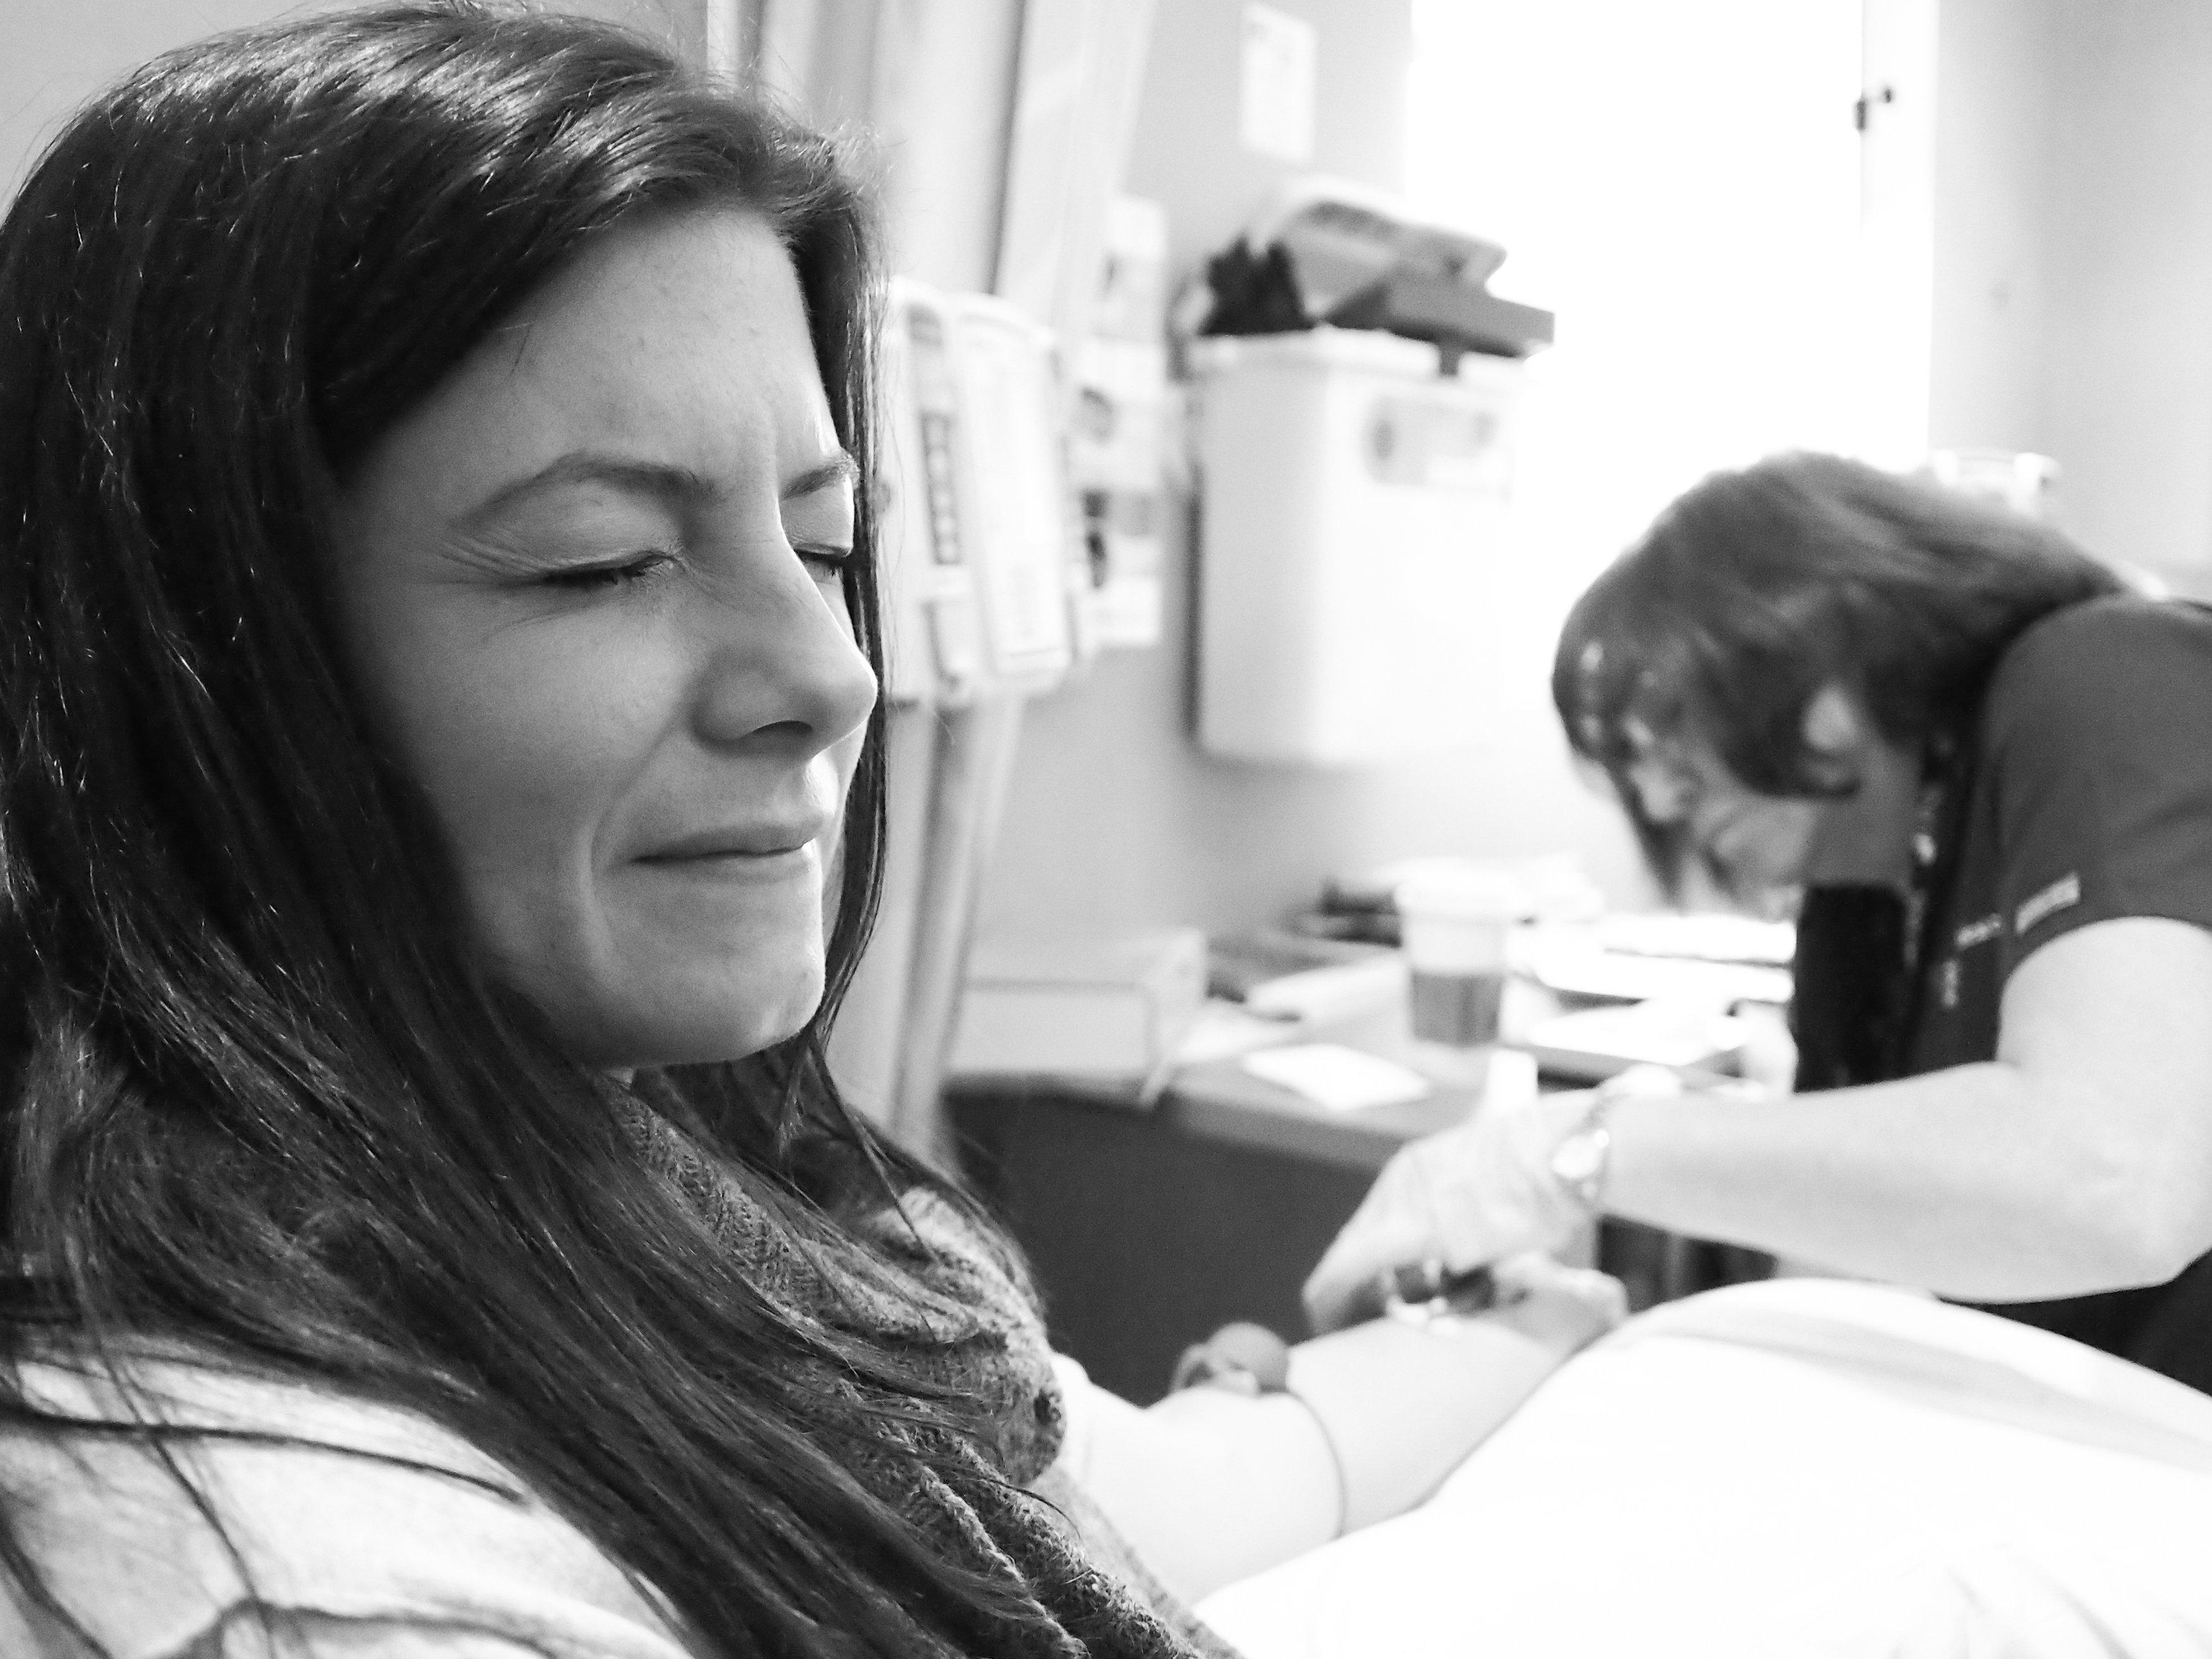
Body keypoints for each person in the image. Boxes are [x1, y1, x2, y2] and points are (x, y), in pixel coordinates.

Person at [0, 8, 1623, 1654]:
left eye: (824, 540)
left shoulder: (647, 1174)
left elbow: (1136, 1500)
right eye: (602, 561)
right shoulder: (314, 1557)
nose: (832, 674)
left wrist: (1512, 1333)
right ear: (189, 659)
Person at [1305, 452, 2212, 1394]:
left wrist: (1573, 1151)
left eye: (1674, 722)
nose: (1658, 793)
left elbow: (2121, 1176)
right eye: (1634, 764)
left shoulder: (2104, 680)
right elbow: (1847, 1266)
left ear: (1829, 634)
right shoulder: (1862, 909)